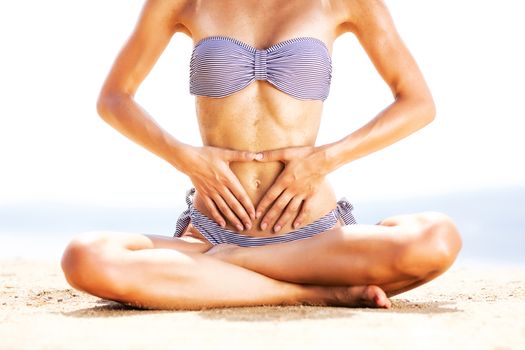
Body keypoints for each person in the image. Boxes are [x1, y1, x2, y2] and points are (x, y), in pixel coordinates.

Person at [61, 0, 462, 310]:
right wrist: (185, 158)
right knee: (85, 257)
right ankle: (308, 294)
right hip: (212, 233)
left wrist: (325, 159)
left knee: (438, 238)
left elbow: (418, 103)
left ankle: (228, 272)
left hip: (313, 236)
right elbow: (114, 97)